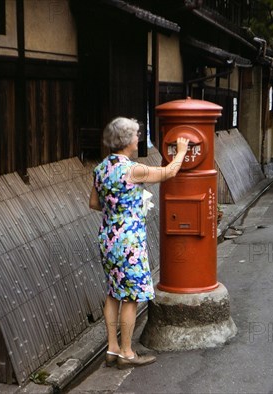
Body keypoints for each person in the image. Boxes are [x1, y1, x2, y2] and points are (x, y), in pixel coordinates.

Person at [89, 117, 189, 369]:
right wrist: (182, 151)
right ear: (126, 141)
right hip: (129, 241)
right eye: (135, 135)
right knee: (131, 297)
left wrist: (117, 205)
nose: (138, 139)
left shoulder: (101, 169)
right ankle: (127, 352)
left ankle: (112, 348)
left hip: (108, 238)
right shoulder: (133, 169)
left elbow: (94, 203)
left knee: (113, 293)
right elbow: (168, 172)